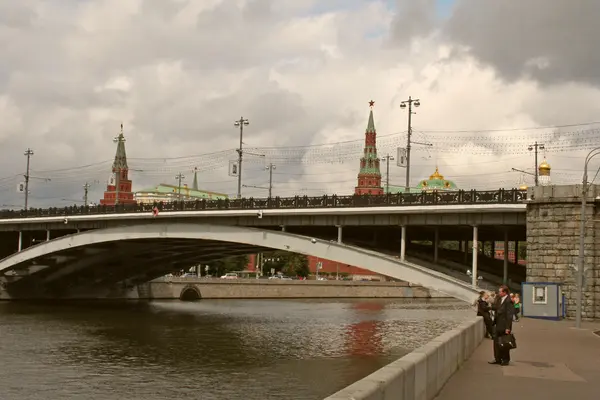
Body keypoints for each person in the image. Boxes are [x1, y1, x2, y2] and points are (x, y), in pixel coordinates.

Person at [489, 285, 514, 366]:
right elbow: (496, 308)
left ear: (505, 292)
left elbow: (509, 316)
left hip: (504, 325)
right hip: (498, 324)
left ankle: (506, 359)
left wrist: (508, 328)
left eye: (500, 291)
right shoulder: (499, 299)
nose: (499, 293)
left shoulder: (508, 301)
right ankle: (497, 358)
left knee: (504, 342)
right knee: (496, 342)